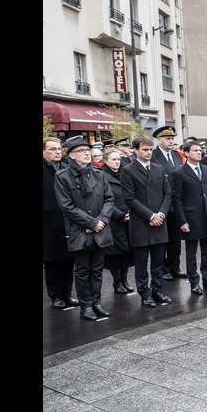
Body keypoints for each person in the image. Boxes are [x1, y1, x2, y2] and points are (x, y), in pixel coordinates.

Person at [55, 136, 114, 320]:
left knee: (97, 269)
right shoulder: (62, 177)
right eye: (81, 151)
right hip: (80, 231)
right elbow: (67, 207)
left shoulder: (99, 173)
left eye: (87, 150)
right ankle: (86, 306)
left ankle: (97, 303)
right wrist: (91, 223)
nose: (86, 153)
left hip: (100, 229)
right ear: (71, 155)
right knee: (82, 271)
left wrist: (101, 221)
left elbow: (109, 199)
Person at [121, 135, 174, 308]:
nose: (148, 153)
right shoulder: (128, 170)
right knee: (142, 263)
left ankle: (157, 290)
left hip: (159, 221)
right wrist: (151, 215)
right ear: (135, 150)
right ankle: (144, 293)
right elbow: (130, 198)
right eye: (144, 150)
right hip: (141, 223)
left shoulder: (158, 169)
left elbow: (167, 193)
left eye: (150, 150)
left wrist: (161, 214)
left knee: (158, 262)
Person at [170, 140, 207, 295]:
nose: (199, 153)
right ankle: (194, 281)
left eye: (200, 150)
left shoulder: (206, 170)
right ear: (186, 153)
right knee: (191, 254)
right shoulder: (178, 173)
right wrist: (182, 221)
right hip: (191, 218)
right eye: (194, 151)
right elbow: (176, 199)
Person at [43, 137, 77, 309]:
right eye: (52, 149)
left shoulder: (65, 167)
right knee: (52, 261)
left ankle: (67, 292)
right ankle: (56, 295)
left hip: (67, 220)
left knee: (68, 259)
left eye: (58, 149)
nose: (57, 152)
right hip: (49, 223)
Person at [151, 126, 186, 281]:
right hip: (161, 204)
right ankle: (164, 269)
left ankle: (175, 267)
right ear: (159, 140)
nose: (171, 141)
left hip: (176, 204)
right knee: (162, 240)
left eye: (172, 138)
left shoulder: (177, 156)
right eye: (167, 139)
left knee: (175, 239)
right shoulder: (154, 156)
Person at [101, 148, 134, 295]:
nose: (116, 162)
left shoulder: (125, 174)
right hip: (114, 220)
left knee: (127, 251)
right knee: (116, 253)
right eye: (113, 159)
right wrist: (119, 215)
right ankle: (117, 281)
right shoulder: (102, 176)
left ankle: (124, 279)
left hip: (128, 217)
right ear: (106, 161)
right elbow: (104, 200)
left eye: (118, 159)